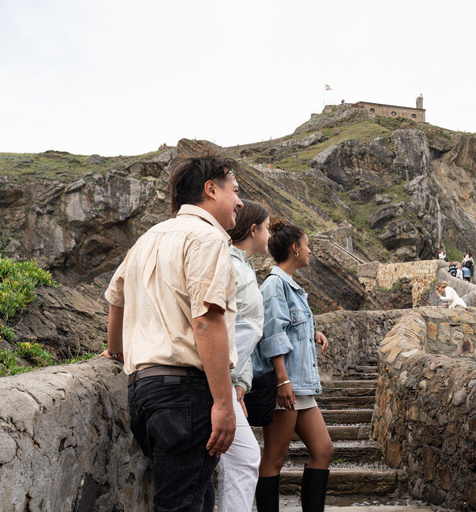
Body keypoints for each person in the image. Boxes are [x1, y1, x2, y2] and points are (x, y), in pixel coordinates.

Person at [103, 154, 243, 512]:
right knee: (181, 504)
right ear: (211, 190)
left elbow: (116, 299)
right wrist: (224, 404)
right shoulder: (208, 237)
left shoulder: (149, 238)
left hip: (143, 392)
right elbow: (206, 321)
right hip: (186, 393)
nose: (240, 202)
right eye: (235, 191)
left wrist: (116, 352)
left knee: (193, 495)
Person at [253, 219, 333, 512]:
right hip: (286, 384)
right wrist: (282, 380)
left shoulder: (292, 287)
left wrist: (313, 332)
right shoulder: (275, 285)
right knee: (275, 457)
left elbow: (289, 326)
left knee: (323, 450)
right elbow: (272, 333)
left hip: (300, 386)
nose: (310, 250)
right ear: (294, 248)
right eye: (307, 244)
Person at [218, 200, 271, 511]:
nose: (269, 235)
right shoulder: (231, 266)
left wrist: (241, 384)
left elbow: (247, 336)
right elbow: (224, 327)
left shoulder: (245, 268)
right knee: (245, 458)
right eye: (265, 228)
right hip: (217, 376)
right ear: (253, 230)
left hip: (230, 380)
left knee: (239, 460)